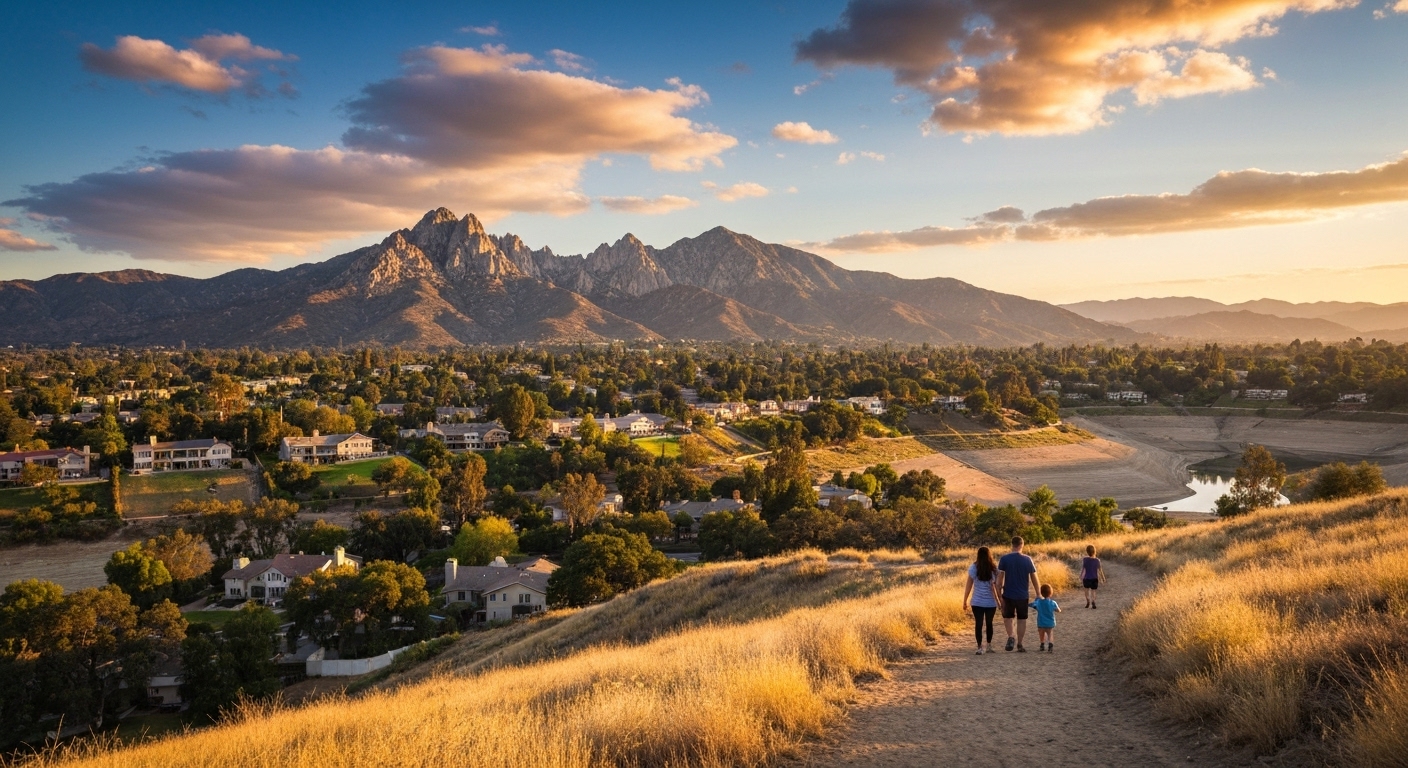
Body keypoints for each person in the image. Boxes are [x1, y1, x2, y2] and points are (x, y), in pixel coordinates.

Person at [996, 536, 1041, 652]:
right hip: (1022, 595)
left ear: (1012, 545)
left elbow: (999, 579)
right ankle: (1020, 643)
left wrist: (999, 594)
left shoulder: (1004, 559)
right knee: (1022, 619)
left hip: (1008, 593)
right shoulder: (1027, 559)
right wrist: (1038, 593)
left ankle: (1011, 636)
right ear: (1022, 545)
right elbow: (1034, 578)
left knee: (1007, 617)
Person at [962, 546, 1002, 655]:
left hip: (977, 601)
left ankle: (979, 647)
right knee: (989, 623)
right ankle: (989, 645)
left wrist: (965, 601)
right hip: (990, 602)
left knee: (978, 624)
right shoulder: (994, 568)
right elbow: (997, 587)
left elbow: (968, 587)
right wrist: (1000, 600)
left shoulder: (973, 568)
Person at [1031, 583, 1061, 652]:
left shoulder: (1038, 602)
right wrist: (1058, 610)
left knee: (1041, 633)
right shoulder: (1053, 603)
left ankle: (1042, 644)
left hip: (1041, 622)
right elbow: (1058, 610)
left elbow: (1033, 605)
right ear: (1050, 593)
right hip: (1050, 622)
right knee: (1050, 633)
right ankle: (1050, 644)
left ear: (1041, 593)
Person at [1081, 544, 1106, 609]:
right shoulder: (1097, 560)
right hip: (1094, 578)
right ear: (1094, 551)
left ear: (1087, 552)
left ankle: (1088, 601)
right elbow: (1100, 570)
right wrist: (1103, 578)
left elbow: (1083, 569)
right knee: (1093, 591)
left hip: (1086, 578)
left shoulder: (1085, 559)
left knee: (1086, 591)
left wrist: (1081, 575)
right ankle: (1093, 601)